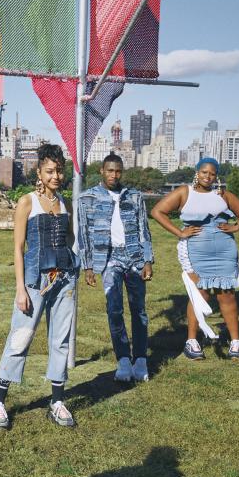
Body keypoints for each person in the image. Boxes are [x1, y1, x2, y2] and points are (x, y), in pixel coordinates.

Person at [0, 144, 78, 430]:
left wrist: (74, 271)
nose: (55, 176)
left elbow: (70, 239)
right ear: (38, 172)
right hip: (34, 281)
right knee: (21, 337)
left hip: (64, 280)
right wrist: (20, 289)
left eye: (59, 171)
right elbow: (17, 248)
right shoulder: (27, 202)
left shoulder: (65, 203)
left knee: (61, 340)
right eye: (50, 171)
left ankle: (57, 401)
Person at [151, 157, 239, 360]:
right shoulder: (184, 192)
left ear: (216, 176)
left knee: (227, 294)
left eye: (212, 173)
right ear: (197, 172)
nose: (208, 176)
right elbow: (157, 211)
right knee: (200, 294)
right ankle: (192, 342)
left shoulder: (222, 194)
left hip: (225, 251)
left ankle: (235, 344)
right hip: (195, 250)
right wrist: (179, 232)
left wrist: (236, 226)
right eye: (205, 172)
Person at [77, 153, 155, 383]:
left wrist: (148, 259)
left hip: (134, 257)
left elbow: (144, 228)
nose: (114, 175)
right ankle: (123, 359)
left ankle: (140, 359)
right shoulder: (88, 198)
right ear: (102, 171)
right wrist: (88, 265)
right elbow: (84, 234)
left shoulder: (134, 196)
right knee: (114, 309)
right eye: (110, 170)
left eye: (118, 171)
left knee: (138, 309)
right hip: (108, 258)